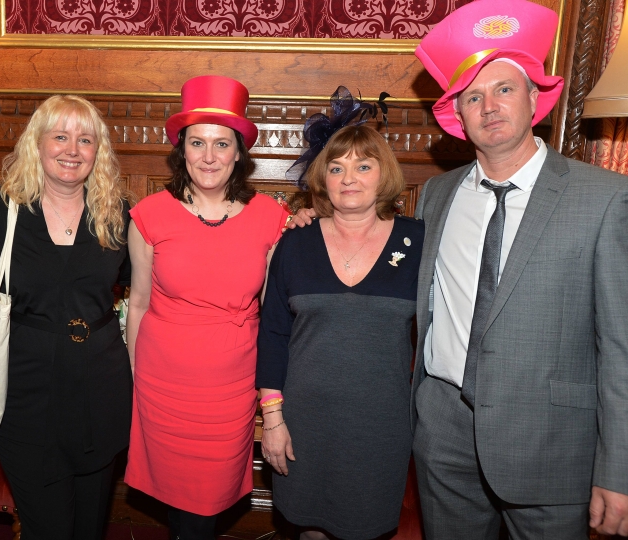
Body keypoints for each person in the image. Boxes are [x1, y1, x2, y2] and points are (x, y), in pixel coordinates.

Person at [410, 1, 628, 537]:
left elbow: (623, 346)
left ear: (535, 97)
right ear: (456, 115)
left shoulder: (605, 198)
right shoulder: (435, 195)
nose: (489, 106)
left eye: (504, 89)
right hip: (445, 436)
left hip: (553, 446)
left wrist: (619, 469)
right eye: (472, 97)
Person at [124, 75, 290, 540]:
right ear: (182, 150)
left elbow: (274, 313)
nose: (209, 156)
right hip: (162, 384)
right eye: (197, 143)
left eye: (222, 144)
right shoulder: (150, 214)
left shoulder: (271, 218)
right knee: (183, 509)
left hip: (230, 388)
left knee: (207, 501)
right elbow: (137, 303)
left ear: (239, 152)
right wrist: (136, 378)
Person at [257, 120, 424, 540]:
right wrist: (272, 419)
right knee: (309, 529)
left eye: (364, 166)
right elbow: (273, 334)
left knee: (366, 529)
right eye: (336, 168)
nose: (349, 178)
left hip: (380, 426)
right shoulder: (295, 241)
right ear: (322, 179)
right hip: (303, 424)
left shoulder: (419, 240)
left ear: (383, 175)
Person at [0, 95, 133, 540]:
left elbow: (149, 290)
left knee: (89, 528)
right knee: (48, 528)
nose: (72, 149)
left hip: (100, 393)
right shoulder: (3, 213)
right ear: (37, 144)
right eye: (60, 136)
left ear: (97, 152)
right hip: (27, 397)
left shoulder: (116, 214)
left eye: (85, 140)